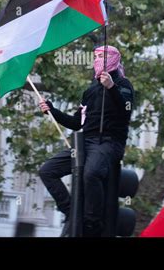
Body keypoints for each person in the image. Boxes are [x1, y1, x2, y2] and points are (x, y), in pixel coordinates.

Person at [38, 45, 134, 237]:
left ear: (113, 60)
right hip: (86, 143)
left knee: (91, 173)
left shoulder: (124, 85)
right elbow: (75, 123)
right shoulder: (90, 91)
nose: (97, 60)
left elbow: (126, 110)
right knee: (47, 171)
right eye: (95, 56)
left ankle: (92, 222)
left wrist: (112, 88)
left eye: (102, 56)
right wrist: (52, 111)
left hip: (109, 142)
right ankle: (71, 211)